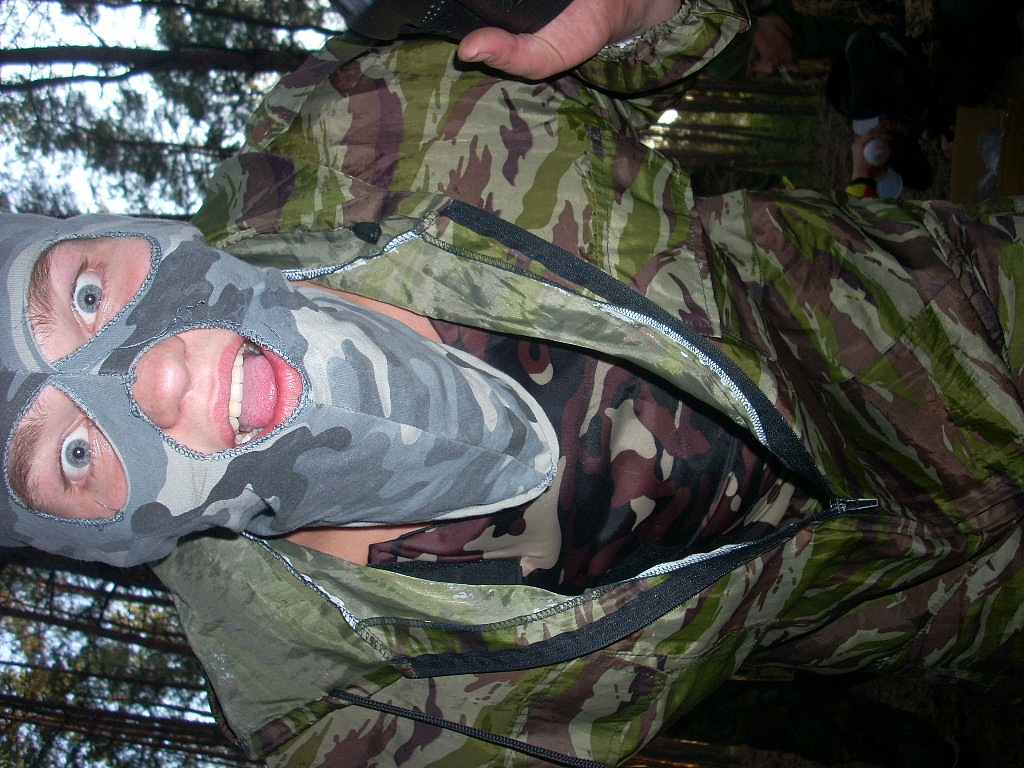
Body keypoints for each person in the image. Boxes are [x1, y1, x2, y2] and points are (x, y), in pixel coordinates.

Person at [1, 0, 1022, 765]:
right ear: (89, 539)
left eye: (86, 295)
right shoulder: (326, 713)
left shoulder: (361, 119)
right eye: (74, 453)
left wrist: (641, 14)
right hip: (939, 604)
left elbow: (712, 33)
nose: (160, 376)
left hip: (953, 309)